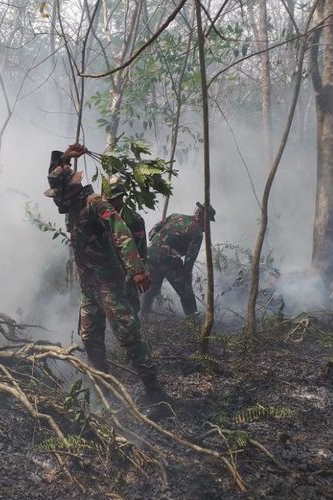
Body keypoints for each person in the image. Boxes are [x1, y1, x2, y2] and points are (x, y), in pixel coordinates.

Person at [44, 144, 170, 414]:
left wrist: (136, 269)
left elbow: (119, 229)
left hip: (110, 284)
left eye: (59, 195)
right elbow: (54, 176)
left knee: (128, 335)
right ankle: (105, 392)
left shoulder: (95, 204)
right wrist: (64, 157)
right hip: (89, 287)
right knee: (90, 338)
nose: (56, 200)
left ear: (72, 190)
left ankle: (156, 394)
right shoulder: (71, 207)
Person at [140, 202, 215, 318]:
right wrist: (187, 279)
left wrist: (159, 244)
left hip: (149, 254)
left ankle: (143, 317)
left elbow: (152, 232)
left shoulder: (175, 216)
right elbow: (190, 260)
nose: (207, 225)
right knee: (186, 293)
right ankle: (193, 322)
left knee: (151, 289)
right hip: (168, 259)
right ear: (203, 217)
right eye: (208, 221)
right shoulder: (197, 233)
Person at [107, 176, 147, 312]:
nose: (112, 203)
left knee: (130, 309)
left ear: (122, 198)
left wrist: (135, 274)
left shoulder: (134, 220)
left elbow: (140, 251)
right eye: (109, 200)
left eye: (115, 199)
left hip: (128, 271)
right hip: (108, 270)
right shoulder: (103, 217)